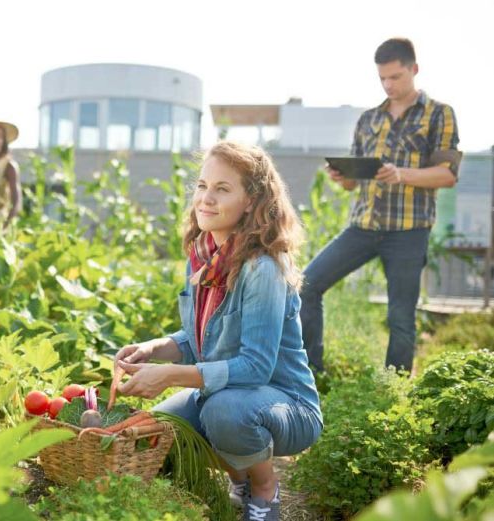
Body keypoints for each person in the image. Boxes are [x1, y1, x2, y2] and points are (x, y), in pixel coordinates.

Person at [114, 141, 322, 521]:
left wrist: (171, 377)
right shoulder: (203, 256)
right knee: (158, 433)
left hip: (286, 405)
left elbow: (255, 367)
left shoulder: (263, 268)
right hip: (226, 394)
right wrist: (151, 349)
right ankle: (239, 474)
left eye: (222, 189)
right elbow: (198, 342)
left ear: (252, 200)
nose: (206, 199)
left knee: (223, 412)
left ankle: (263, 490)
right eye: (202, 186)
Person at [300, 38, 461, 374]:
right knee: (306, 284)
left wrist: (401, 174)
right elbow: (355, 181)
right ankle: (311, 373)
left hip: (408, 231)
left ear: (414, 70)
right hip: (363, 226)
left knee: (400, 317)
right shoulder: (369, 120)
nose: (389, 85)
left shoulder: (439, 114)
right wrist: (343, 177)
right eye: (383, 78)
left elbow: (447, 175)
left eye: (396, 77)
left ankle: (395, 387)